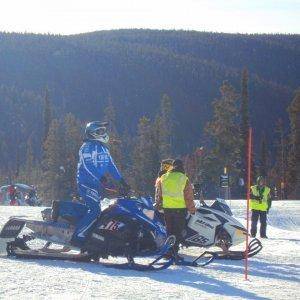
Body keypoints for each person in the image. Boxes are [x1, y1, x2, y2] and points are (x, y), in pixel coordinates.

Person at [52, 121, 130, 247]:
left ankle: (61, 207)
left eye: (104, 131)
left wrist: (122, 181)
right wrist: (102, 178)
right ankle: (78, 238)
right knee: (95, 211)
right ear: (92, 133)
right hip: (86, 182)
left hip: (97, 184)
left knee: (93, 209)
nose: (103, 133)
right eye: (100, 131)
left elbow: (111, 166)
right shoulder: (87, 147)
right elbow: (88, 166)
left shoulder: (104, 148)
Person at [155, 159, 196, 257]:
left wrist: (158, 205)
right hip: (180, 209)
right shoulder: (184, 178)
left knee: (169, 231)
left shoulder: (164, 177)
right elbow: (188, 197)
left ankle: (168, 250)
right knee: (177, 232)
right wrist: (192, 210)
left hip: (167, 209)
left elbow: (159, 194)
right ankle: (174, 252)